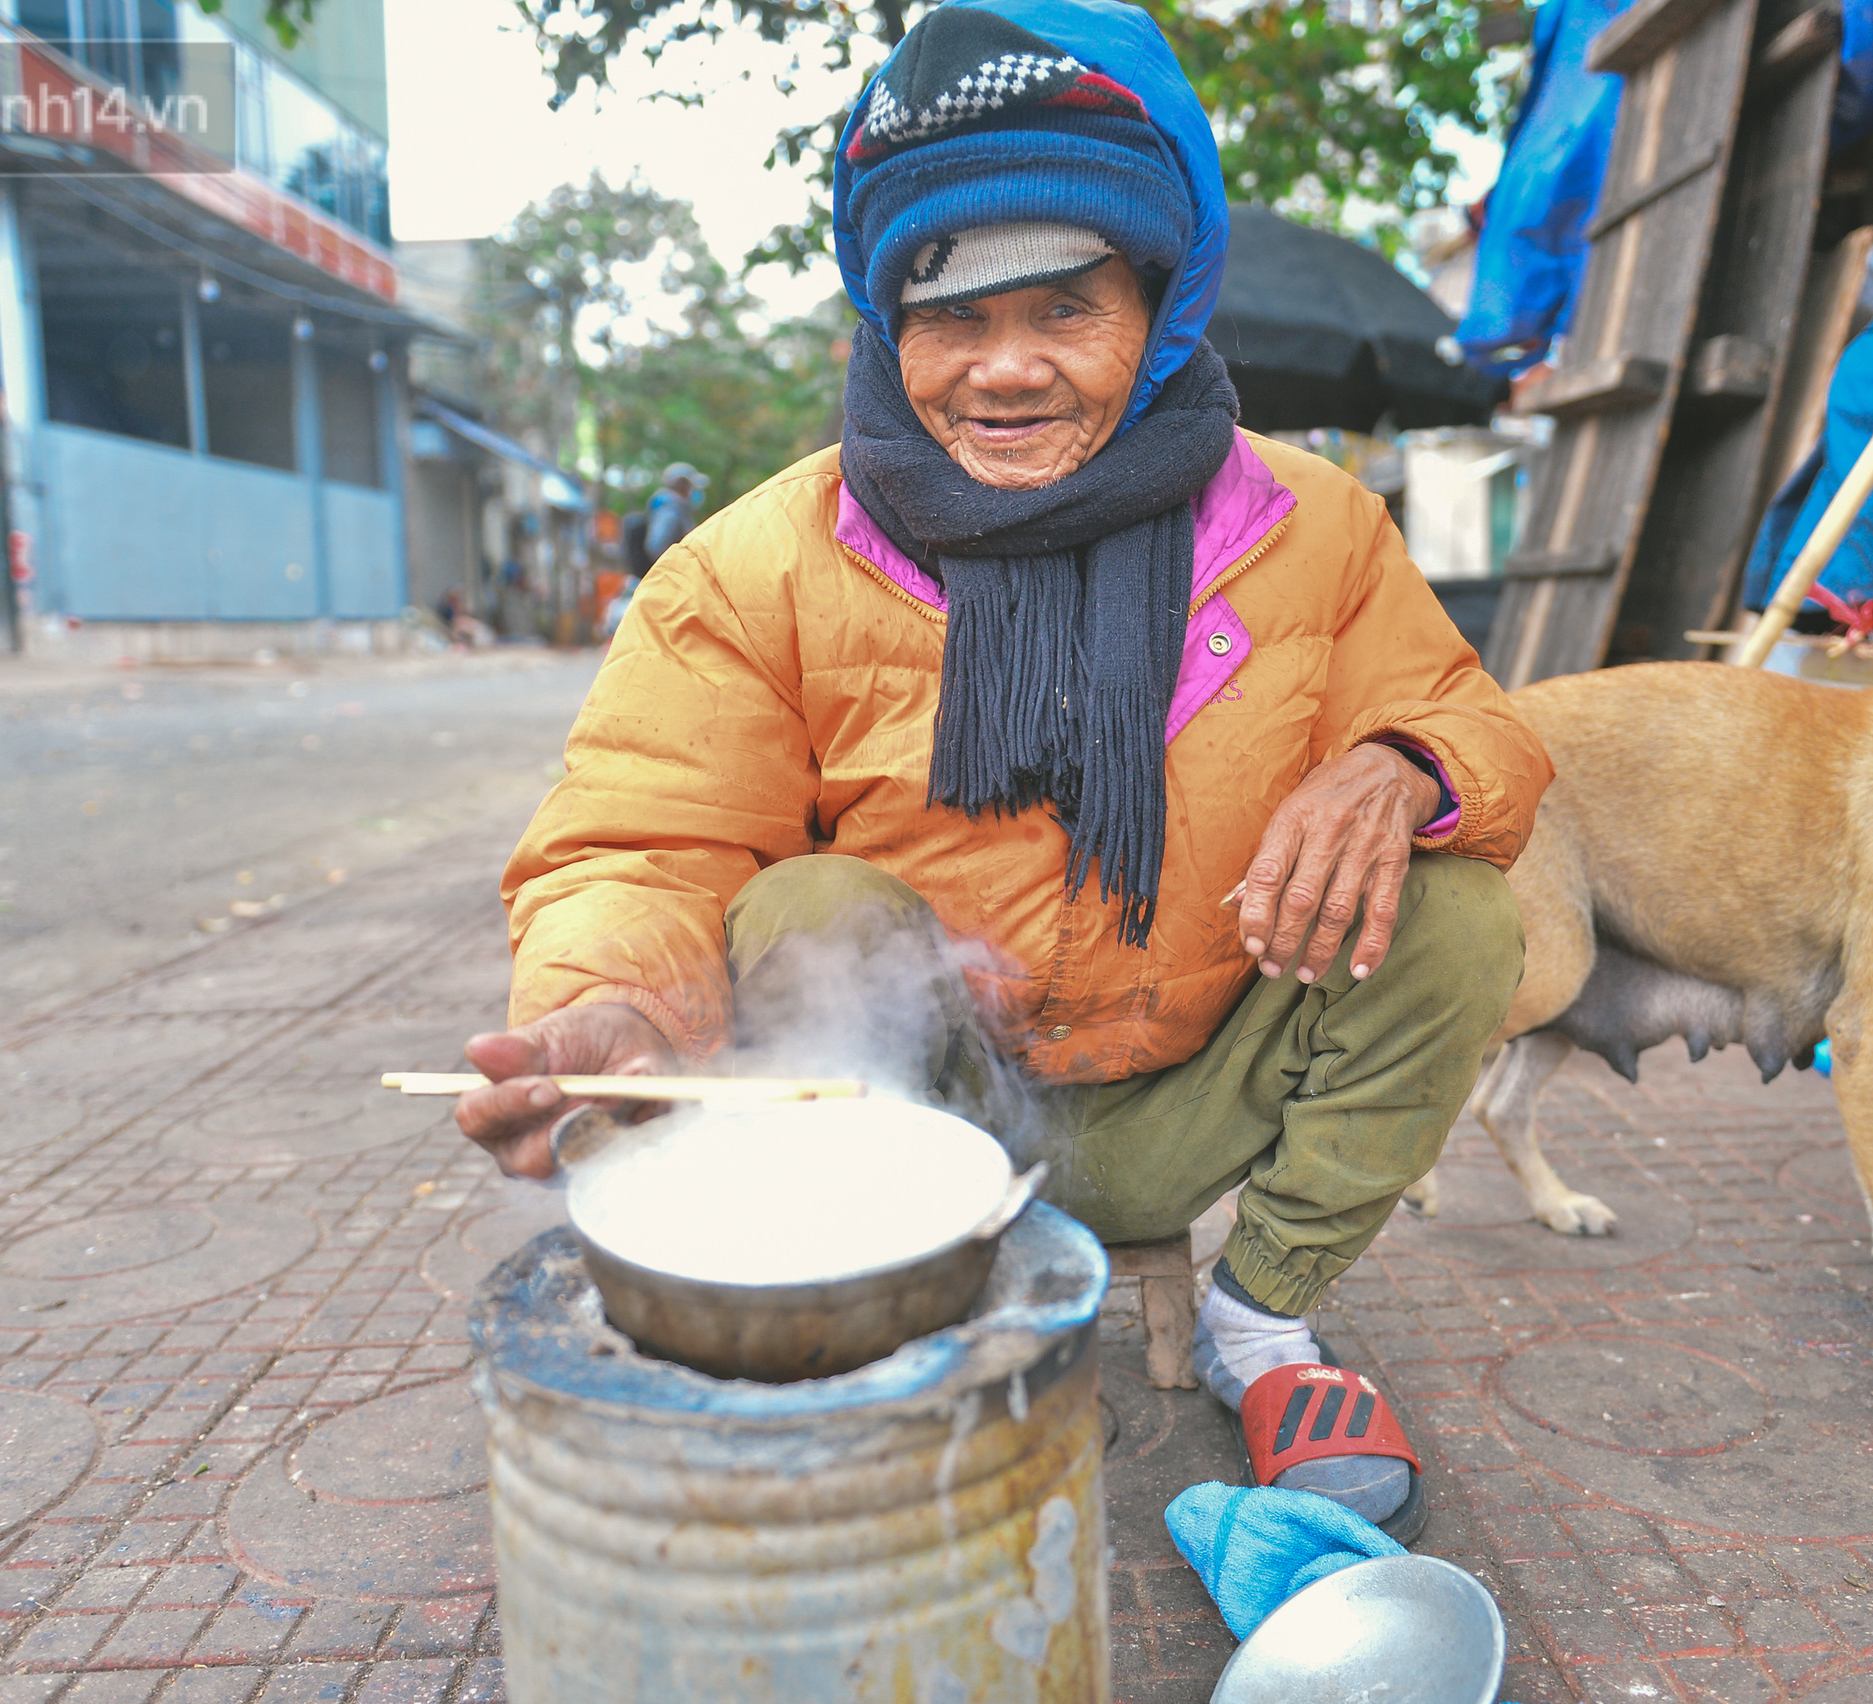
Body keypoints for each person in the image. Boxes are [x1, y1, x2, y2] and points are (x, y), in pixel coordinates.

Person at [452, 0, 1549, 1540]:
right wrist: (622, 1008)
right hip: (915, 1104)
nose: (1005, 371)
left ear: (1162, 311)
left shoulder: (1315, 529)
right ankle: (907, 1296)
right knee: (812, 901)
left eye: (1065, 312)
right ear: (885, 325)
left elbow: (1481, 729)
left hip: (1200, 1079)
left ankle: (1264, 1325)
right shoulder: (756, 566)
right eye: (950, 316)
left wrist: (1392, 762)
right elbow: (642, 839)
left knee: (1456, 915)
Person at [639, 461, 708, 565]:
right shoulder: (669, 511)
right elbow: (656, 547)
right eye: (692, 486)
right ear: (681, 485)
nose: (695, 490)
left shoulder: (677, 509)